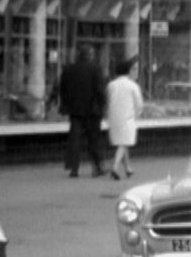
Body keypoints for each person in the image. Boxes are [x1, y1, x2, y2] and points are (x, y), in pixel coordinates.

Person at [59, 44, 106, 178]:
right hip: (92, 110)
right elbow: (99, 90)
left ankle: (74, 169)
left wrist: (66, 105)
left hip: (75, 110)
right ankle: (97, 167)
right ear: (90, 55)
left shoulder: (68, 69)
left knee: (74, 140)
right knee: (93, 140)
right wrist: (102, 105)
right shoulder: (95, 69)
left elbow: (63, 89)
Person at [106, 56, 143, 180]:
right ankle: (115, 167)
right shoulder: (133, 86)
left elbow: (108, 100)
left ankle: (128, 168)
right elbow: (139, 104)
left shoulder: (111, 85)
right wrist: (138, 114)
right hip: (128, 118)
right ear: (128, 71)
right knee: (124, 143)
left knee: (123, 143)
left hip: (113, 117)